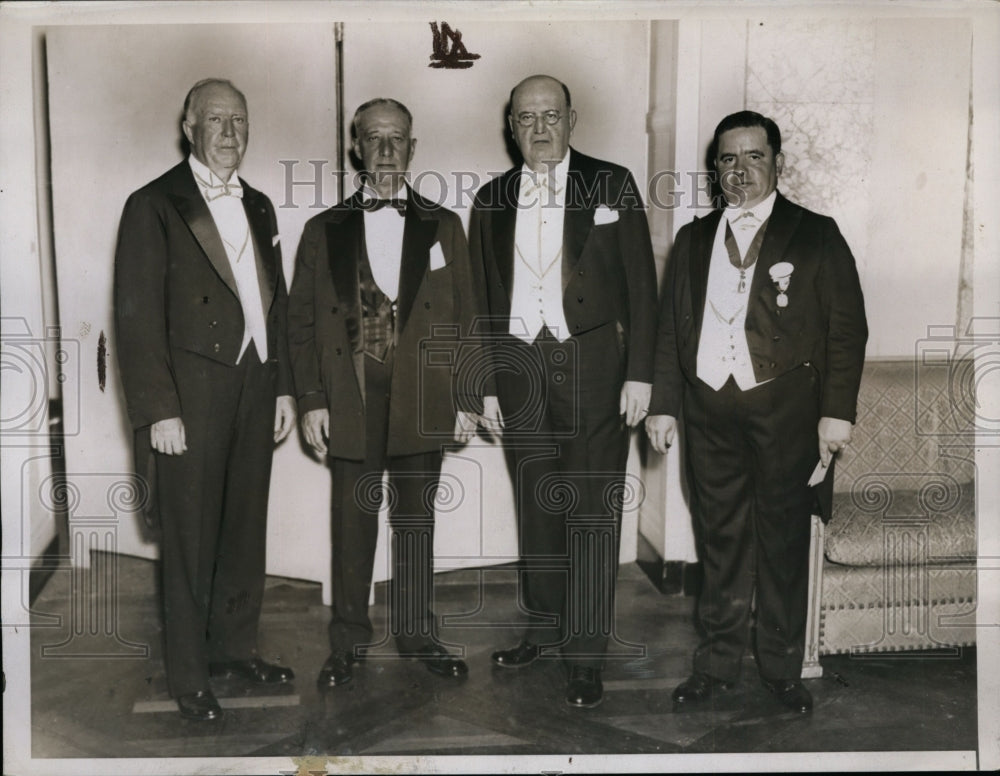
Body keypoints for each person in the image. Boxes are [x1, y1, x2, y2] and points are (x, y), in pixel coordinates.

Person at [645, 110, 868, 713]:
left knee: (782, 542)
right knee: (719, 542)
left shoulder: (816, 233)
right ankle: (715, 666)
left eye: (753, 156)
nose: (740, 170)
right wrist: (664, 405)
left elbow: (846, 331)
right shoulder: (694, 238)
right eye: (727, 159)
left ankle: (780, 670)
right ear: (715, 169)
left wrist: (836, 413)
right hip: (708, 411)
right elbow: (671, 330)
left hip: (788, 414)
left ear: (777, 162)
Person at [467, 75, 657, 708]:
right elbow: (484, 300)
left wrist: (642, 374)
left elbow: (642, 287)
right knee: (539, 507)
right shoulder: (490, 200)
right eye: (527, 117)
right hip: (519, 370)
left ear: (572, 119)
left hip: (596, 366)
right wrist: (488, 384)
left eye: (551, 114)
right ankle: (544, 629)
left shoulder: (612, 184)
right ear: (511, 126)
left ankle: (585, 654)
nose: (540, 127)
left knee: (592, 513)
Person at [114, 78, 297, 721]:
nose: (229, 133)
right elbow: (135, 319)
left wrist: (284, 387)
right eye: (215, 120)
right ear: (188, 126)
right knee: (189, 539)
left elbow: (279, 304)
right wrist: (159, 408)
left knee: (244, 526)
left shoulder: (264, 206)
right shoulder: (153, 204)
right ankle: (190, 674)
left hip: (255, 383)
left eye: (239, 121)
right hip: (189, 397)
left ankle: (235, 648)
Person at [287, 98, 478, 687]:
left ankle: (417, 633)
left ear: (414, 149)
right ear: (357, 149)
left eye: (399, 139)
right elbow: (299, 323)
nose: (388, 150)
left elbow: (466, 314)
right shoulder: (324, 230)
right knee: (353, 521)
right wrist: (313, 400)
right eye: (375, 138)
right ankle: (348, 641)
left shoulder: (444, 225)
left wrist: (468, 396)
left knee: (417, 522)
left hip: (425, 397)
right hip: (352, 397)